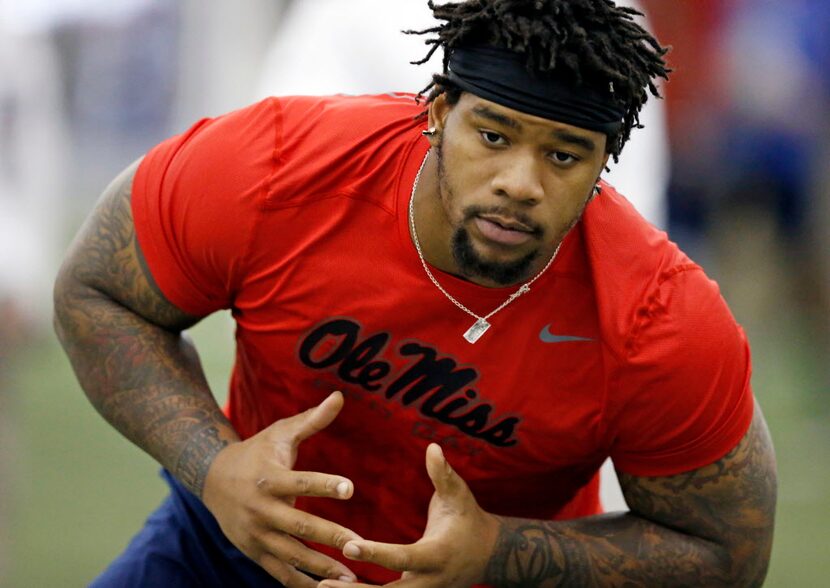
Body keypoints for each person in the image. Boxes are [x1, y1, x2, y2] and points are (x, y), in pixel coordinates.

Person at [53, 1, 777, 586]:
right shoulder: (276, 169)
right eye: (493, 136)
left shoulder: (657, 317)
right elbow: (96, 291)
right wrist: (213, 465)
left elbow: (726, 552)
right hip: (232, 548)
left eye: (562, 155)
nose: (521, 184)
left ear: (603, 165)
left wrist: (493, 553)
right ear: (436, 111)